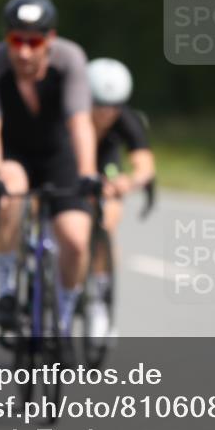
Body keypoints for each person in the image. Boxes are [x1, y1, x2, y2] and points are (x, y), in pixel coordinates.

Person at [0, 0, 98, 342]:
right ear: (6, 38)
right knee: (9, 191)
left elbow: (80, 123)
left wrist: (88, 173)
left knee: (75, 240)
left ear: (49, 39)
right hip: (11, 153)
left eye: (34, 42)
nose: (24, 52)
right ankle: (7, 291)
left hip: (59, 155)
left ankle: (64, 317)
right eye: (16, 40)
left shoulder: (70, 59)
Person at [86, 57, 156, 338]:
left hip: (106, 166)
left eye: (114, 105)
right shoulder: (70, 115)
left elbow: (145, 166)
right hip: (69, 163)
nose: (106, 112)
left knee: (109, 216)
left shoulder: (127, 119)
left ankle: (99, 299)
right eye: (98, 104)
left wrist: (128, 182)